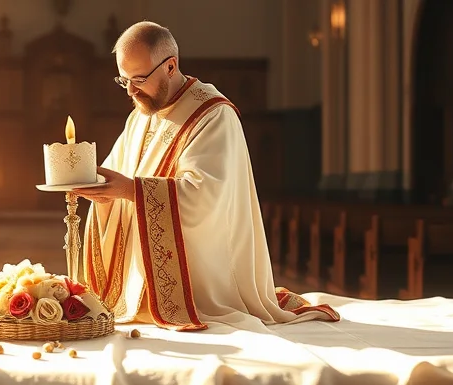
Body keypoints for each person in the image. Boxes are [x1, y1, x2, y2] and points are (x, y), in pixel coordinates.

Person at [71, 21, 339, 332]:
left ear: (171, 66)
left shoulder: (212, 115)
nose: (131, 90)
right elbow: (115, 174)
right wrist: (97, 187)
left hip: (202, 287)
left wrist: (131, 191)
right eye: (124, 80)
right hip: (139, 283)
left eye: (140, 79)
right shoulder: (140, 116)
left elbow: (204, 196)